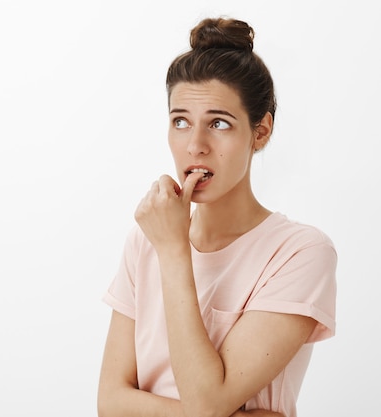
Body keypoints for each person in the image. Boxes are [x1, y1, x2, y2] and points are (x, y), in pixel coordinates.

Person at [97, 17, 337, 417]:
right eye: (180, 122)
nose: (195, 145)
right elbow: (110, 402)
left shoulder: (300, 252)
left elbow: (207, 404)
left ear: (260, 132)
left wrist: (174, 252)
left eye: (219, 123)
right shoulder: (146, 239)